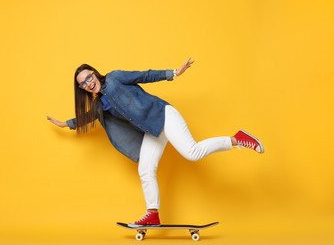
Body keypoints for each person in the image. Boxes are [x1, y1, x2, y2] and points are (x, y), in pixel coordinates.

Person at [47, 58, 264, 228]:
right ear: (82, 88)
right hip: (152, 130)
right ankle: (152, 214)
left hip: (163, 116)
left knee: (193, 152)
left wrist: (174, 73)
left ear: (95, 73)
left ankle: (238, 139)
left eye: (89, 77)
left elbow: (144, 75)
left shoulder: (114, 78)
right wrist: (66, 124)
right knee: (145, 169)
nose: (88, 82)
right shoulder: (98, 105)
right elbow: (86, 117)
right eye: (83, 83)